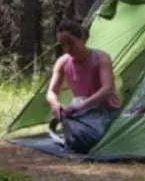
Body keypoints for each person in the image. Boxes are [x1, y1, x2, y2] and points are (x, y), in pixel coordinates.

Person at [45, 18, 120, 152]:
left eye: (71, 43)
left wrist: (81, 105)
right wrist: (56, 105)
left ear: (82, 38)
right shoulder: (62, 62)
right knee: (78, 134)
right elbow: (51, 92)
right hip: (80, 110)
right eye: (63, 45)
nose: (67, 49)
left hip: (103, 109)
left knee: (89, 137)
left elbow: (107, 89)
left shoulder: (101, 58)